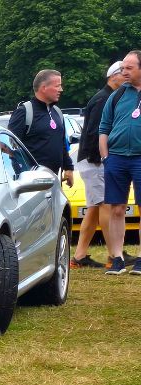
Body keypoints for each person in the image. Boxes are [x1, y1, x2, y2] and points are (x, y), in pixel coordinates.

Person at [75, 62, 125, 268]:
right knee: (106, 204)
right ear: (113, 77)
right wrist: (105, 158)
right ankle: (114, 255)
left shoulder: (108, 97)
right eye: (124, 74)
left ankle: (79, 256)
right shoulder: (103, 99)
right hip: (94, 160)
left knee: (95, 209)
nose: (127, 78)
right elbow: (95, 133)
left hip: (94, 160)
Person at [98, 50, 141, 274]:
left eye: (129, 68)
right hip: (116, 158)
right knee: (116, 208)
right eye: (122, 68)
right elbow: (104, 127)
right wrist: (106, 157)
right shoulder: (116, 95)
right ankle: (117, 257)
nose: (123, 72)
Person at [8, 69, 72, 182]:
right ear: (43, 88)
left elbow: (61, 143)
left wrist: (68, 167)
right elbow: (9, 146)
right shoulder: (24, 112)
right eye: (57, 86)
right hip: (32, 183)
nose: (61, 90)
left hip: (55, 180)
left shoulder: (57, 112)